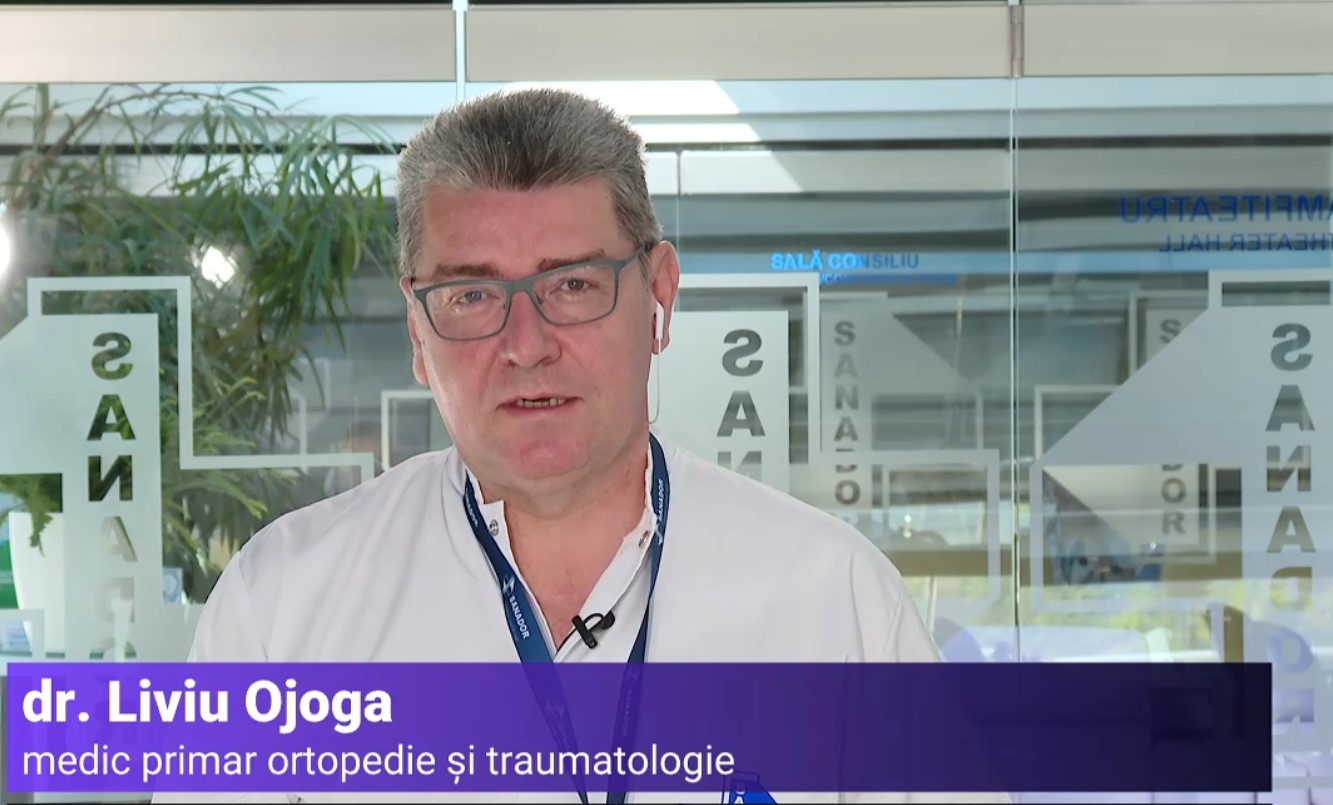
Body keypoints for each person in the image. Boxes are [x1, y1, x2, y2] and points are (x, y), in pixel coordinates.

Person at [156, 88, 999, 804]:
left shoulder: (833, 602)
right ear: (418, 331)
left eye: (572, 284)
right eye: (471, 294)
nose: (525, 344)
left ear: (658, 296)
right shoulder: (282, 608)